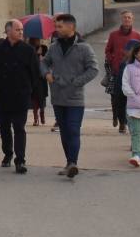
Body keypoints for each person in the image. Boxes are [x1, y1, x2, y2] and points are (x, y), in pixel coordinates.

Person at [42, 13, 99, 178]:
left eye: (60, 26)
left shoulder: (84, 47)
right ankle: (69, 163)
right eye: (56, 26)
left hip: (75, 97)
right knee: (65, 131)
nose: (57, 29)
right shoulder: (54, 46)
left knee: (73, 130)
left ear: (71, 27)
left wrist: (77, 81)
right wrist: (46, 74)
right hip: (58, 96)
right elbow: (44, 62)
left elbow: (93, 69)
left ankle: (73, 163)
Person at [0, 19, 40, 174]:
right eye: (18, 30)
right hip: (2, 95)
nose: (21, 33)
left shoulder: (28, 50)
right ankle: (7, 153)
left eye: (22, 30)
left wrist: (31, 91)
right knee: (4, 128)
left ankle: (20, 160)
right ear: (8, 31)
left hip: (20, 95)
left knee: (19, 128)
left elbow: (34, 73)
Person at [105, 10, 140, 133]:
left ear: (132, 20)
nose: (127, 20)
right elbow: (108, 50)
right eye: (125, 18)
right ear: (121, 20)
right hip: (118, 71)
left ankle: (129, 122)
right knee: (119, 98)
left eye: (129, 18)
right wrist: (113, 60)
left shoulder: (138, 36)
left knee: (131, 98)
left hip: (134, 72)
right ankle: (122, 122)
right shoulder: (113, 35)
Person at [28, 37, 48, 126]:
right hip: (33, 76)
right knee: (34, 98)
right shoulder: (30, 48)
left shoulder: (44, 48)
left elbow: (48, 60)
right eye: (36, 39)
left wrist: (42, 57)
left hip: (42, 77)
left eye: (39, 39)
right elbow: (29, 61)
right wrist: (36, 54)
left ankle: (42, 113)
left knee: (42, 97)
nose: (38, 41)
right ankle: (36, 118)